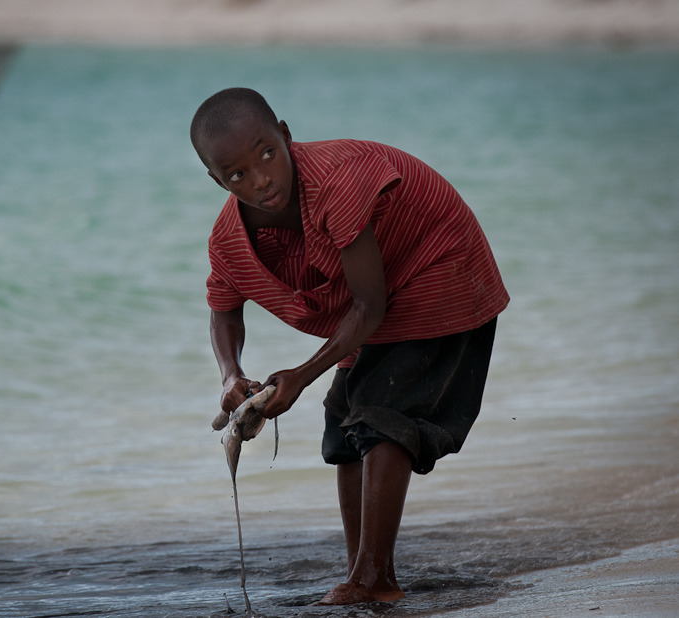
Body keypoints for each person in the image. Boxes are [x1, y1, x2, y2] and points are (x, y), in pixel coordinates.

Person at [191, 87, 509, 605]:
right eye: (237, 175)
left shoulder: (338, 181)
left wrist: (300, 373)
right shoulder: (229, 238)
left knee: (381, 414)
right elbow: (223, 307)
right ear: (217, 180)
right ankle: (359, 571)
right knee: (344, 422)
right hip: (376, 305)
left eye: (267, 153)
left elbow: (369, 305)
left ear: (286, 135)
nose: (262, 179)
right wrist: (231, 376)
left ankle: (375, 580)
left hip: (440, 269)